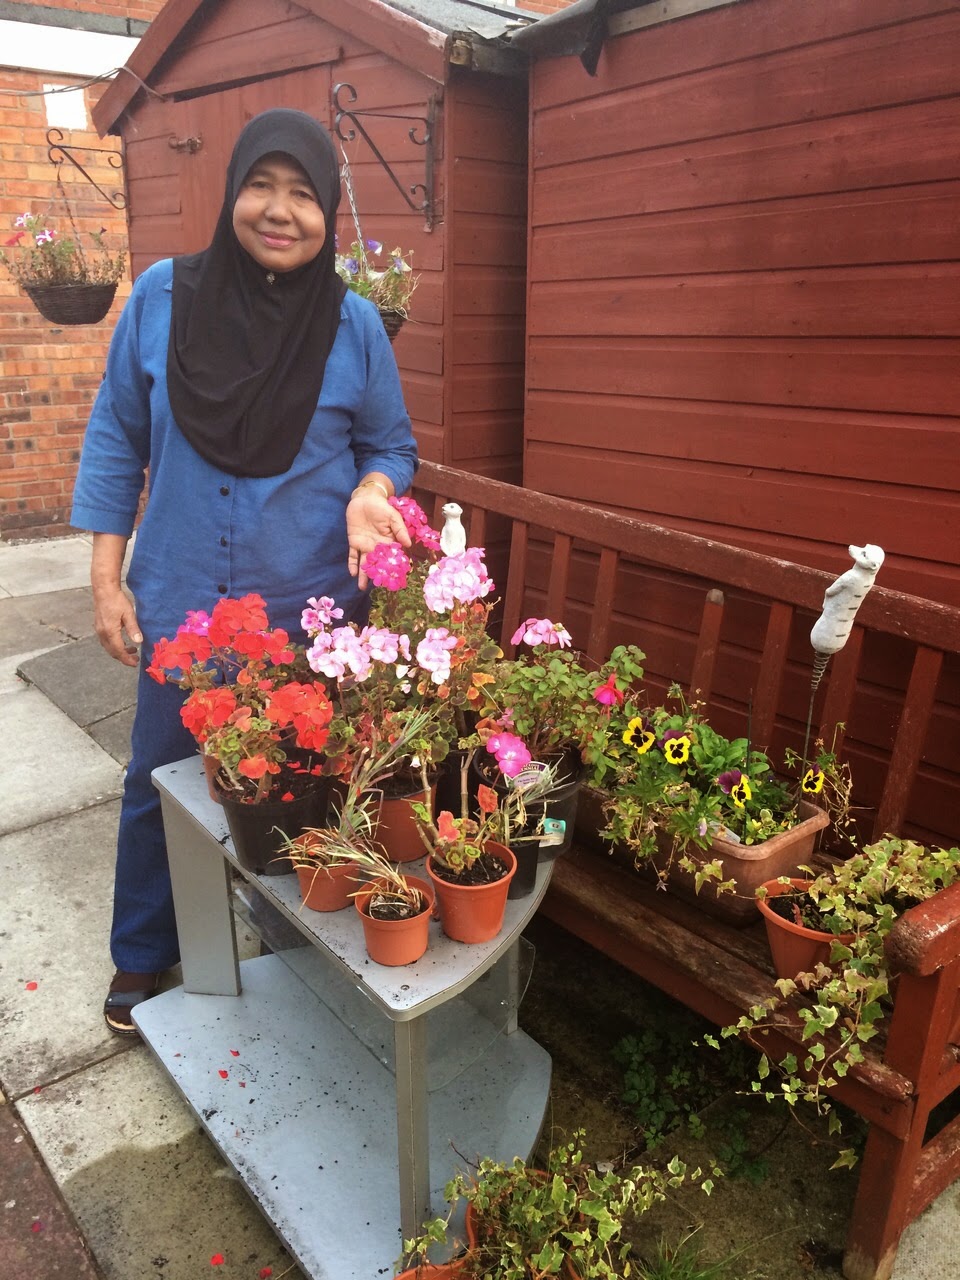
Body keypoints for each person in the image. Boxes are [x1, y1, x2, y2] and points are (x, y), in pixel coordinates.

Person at [71, 108, 418, 1036]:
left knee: (299, 786)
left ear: (327, 213)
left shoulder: (352, 325)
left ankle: (293, 940)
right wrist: (107, 580)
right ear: (232, 192)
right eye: (261, 185)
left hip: (306, 614)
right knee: (159, 781)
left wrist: (370, 491)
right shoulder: (162, 298)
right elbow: (117, 439)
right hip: (180, 603)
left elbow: (390, 444)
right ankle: (144, 948)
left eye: (303, 194)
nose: (279, 210)